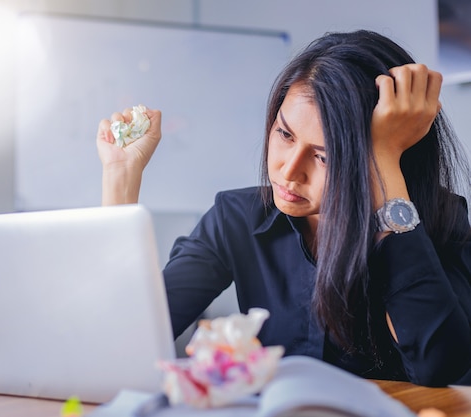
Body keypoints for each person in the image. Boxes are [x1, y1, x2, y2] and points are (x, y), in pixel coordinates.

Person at [95, 30, 471, 387]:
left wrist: (385, 164)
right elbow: (126, 341)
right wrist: (120, 177)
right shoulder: (237, 217)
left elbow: (439, 367)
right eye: (284, 134)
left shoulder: (437, 218)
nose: (289, 171)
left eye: (325, 157)